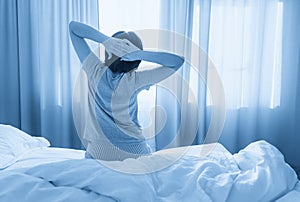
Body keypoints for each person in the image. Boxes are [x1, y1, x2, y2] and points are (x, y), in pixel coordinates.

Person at [69, 21, 184, 161]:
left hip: (99, 150)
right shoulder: (137, 79)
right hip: (135, 151)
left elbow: (73, 28)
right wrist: (140, 54)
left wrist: (106, 41)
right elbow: (177, 61)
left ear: (108, 53)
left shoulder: (94, 70)